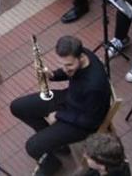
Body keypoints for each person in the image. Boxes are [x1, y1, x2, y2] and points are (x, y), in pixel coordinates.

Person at [10, 35, 111, 176]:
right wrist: (52, 75)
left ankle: (51, 163)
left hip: (81, 123)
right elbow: (68, 72)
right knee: (18, 107)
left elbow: (90, 121)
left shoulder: (94, 86)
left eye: (69, 65)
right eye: (62, 64)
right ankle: (57, 144)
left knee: (31, 147)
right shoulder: (81, 54)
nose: (65, 68)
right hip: (69, 100)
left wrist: (59, 115)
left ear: (81, 57)